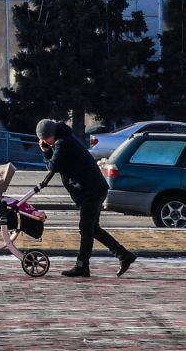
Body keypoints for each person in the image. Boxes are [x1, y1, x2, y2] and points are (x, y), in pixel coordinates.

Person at [35, 118, 136, 278]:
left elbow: (54, 166)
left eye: (44, 139)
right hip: (93, 190)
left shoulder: (63, 143)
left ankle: (82, 266)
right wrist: (49, 150)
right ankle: (124, 255)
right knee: (92, 228)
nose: (44, 142)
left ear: (49, 135)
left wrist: (46, 151)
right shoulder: (64, 140)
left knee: (86, 228)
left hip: (91, 191)